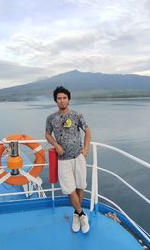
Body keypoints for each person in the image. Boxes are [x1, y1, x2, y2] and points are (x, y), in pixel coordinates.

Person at [45, 86, 91, 233]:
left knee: (80, 186)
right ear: (55, 101)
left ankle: (76, 215)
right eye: (59, 98)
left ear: (69, 100)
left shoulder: (77, 115)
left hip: (78, 156)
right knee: (70, 190)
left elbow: (87, 131)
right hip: (63, 159)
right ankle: (82, 214)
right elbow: (47, 134)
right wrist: (56, 145)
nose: (62, 100)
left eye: (64, 98)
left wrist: (86, 148)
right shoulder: (51, 118)